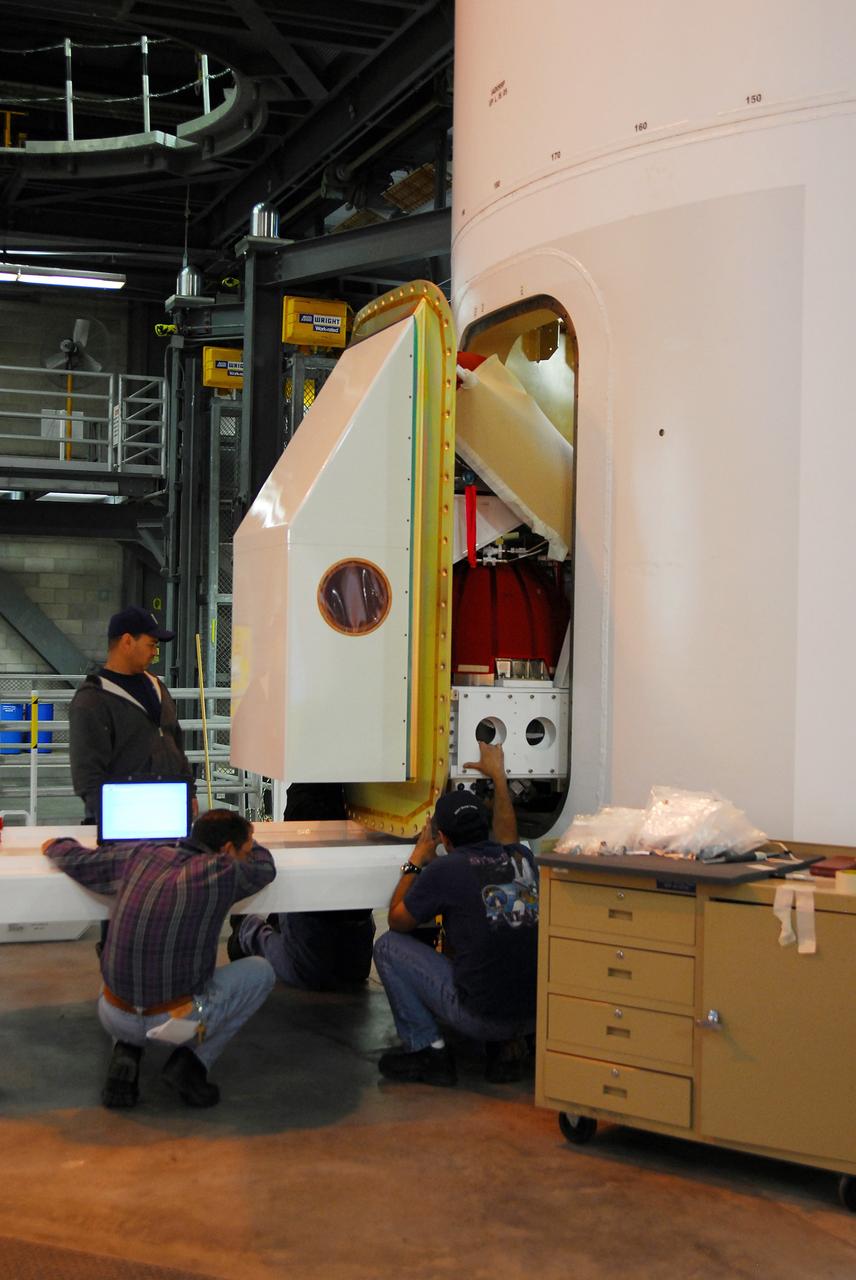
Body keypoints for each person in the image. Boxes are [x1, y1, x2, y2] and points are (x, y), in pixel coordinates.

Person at [42, 809, 276, 1109]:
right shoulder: (224, 872)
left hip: (111, 1013)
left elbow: (77, 859)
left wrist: (53, 844)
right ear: (228, 851)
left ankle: (126, 1051)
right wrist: (253, 844)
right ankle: (190, 1066)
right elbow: (266, 867)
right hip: (175, 1026)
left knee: (130, 966)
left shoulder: (140, 855)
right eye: (243, 849)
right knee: (261, 972)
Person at [373, 742, 539, 1087]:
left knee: (389, 946)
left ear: (443, 838)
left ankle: (428, 1051)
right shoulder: (520, 858)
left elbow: (398, 920)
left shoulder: (446, 870)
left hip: (483, 1018)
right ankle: (506, 1047)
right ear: (485, 825)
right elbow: (508, 830)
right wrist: (499, 777)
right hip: (537, 1017)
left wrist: (416, 859)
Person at [227, 782, 375, 990]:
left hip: (336, 914)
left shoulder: (329, 789)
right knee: (310, 971)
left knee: (341, 971)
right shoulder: (315, 792)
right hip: (316, 912)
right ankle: (247, 929)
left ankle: (258, 928)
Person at [69, 605, 195, 826]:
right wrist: (110, 819)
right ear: (127, 641)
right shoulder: (93, 699)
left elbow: (175, 742)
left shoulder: (158, 688)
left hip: (169, 813)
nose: (155, 652)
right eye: (151, 644)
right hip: (124, 819)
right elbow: (87, 772)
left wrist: (189, 791)